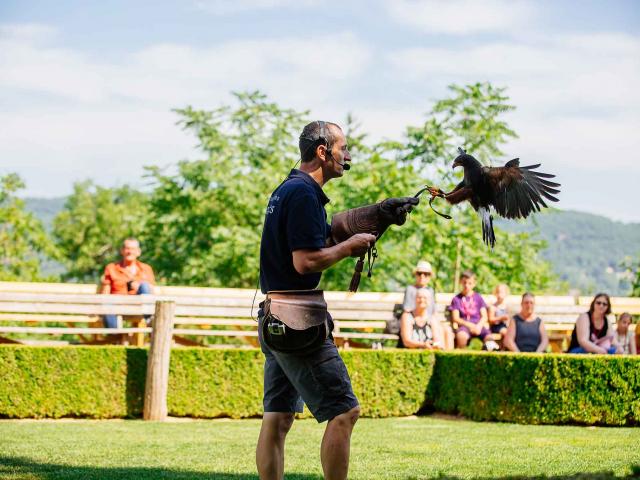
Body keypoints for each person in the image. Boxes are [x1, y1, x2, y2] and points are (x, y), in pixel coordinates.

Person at [256, 120, 418, 480]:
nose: (348, 154)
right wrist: (350, 247)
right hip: (297, 321)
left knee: (279, 417)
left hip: (272, 317)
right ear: (322, 151)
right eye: (343, 147)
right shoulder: (304, 194)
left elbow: (319, 236)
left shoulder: (288, 189)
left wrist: (376, 214)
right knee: (345, 412)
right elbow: (305, 260)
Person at [100, 238, 155, 328]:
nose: (130, 252)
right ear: (122, 251)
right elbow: (105, 294)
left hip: (139, 307)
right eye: (127, 248)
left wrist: (138, 287)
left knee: (144, 286)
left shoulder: (146, 269)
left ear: (138, 252)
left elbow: (152, 292)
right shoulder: (112, 268)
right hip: (117, 306)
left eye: (133, 249)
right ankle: (116, 337)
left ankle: (149, 320)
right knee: (107, 303)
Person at [401, 260, 454, 348]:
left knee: (447, 331)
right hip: (416, 321)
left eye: (426, 274)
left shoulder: (431, 290)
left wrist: (436, 323)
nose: (422, 276)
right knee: (440, 331)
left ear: (429, 276)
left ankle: (448, 357)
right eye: (419, 273)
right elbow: (408, 310)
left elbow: (433, 311)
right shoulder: (410, 289)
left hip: (430, 320)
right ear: (416, 275)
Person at [449, 271, 492, 349]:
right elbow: (456, 318)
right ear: (461, 282)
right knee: (461, 336)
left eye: (470, 283)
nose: (466, 285)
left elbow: (484, 316)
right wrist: (470, 325)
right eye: (464, 282)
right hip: (464, 326)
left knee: (490, 339)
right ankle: (462, 357)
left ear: (474, 284)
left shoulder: (478, 297)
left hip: (478, 325)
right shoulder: (456, 299)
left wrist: (478, 326)